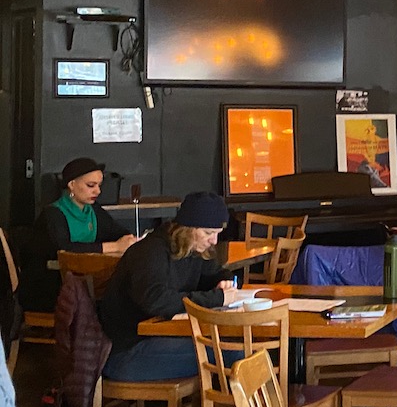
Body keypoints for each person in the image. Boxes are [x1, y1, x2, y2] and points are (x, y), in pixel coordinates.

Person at [97, 192, 246, 381]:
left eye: (217, 233)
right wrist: (217, 298)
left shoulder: (194, 248)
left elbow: (215, 273)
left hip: (161, 339)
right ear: (187, 228)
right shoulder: (150, 252)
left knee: (239, 346)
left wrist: (227, 281)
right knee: (236, 353)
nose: (214, 241)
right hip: (127, 352)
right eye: (208, 233)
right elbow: (156, 300)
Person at [18, 156, 136, 311]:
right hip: (50, 287)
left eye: (99, 185)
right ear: (72, 185)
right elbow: (65, 248)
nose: (98, 191)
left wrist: (128, 239)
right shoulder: (53, 214)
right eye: (91, 185)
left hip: (82, 282)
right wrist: (114, 246)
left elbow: (117, 231)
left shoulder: (92, 210)